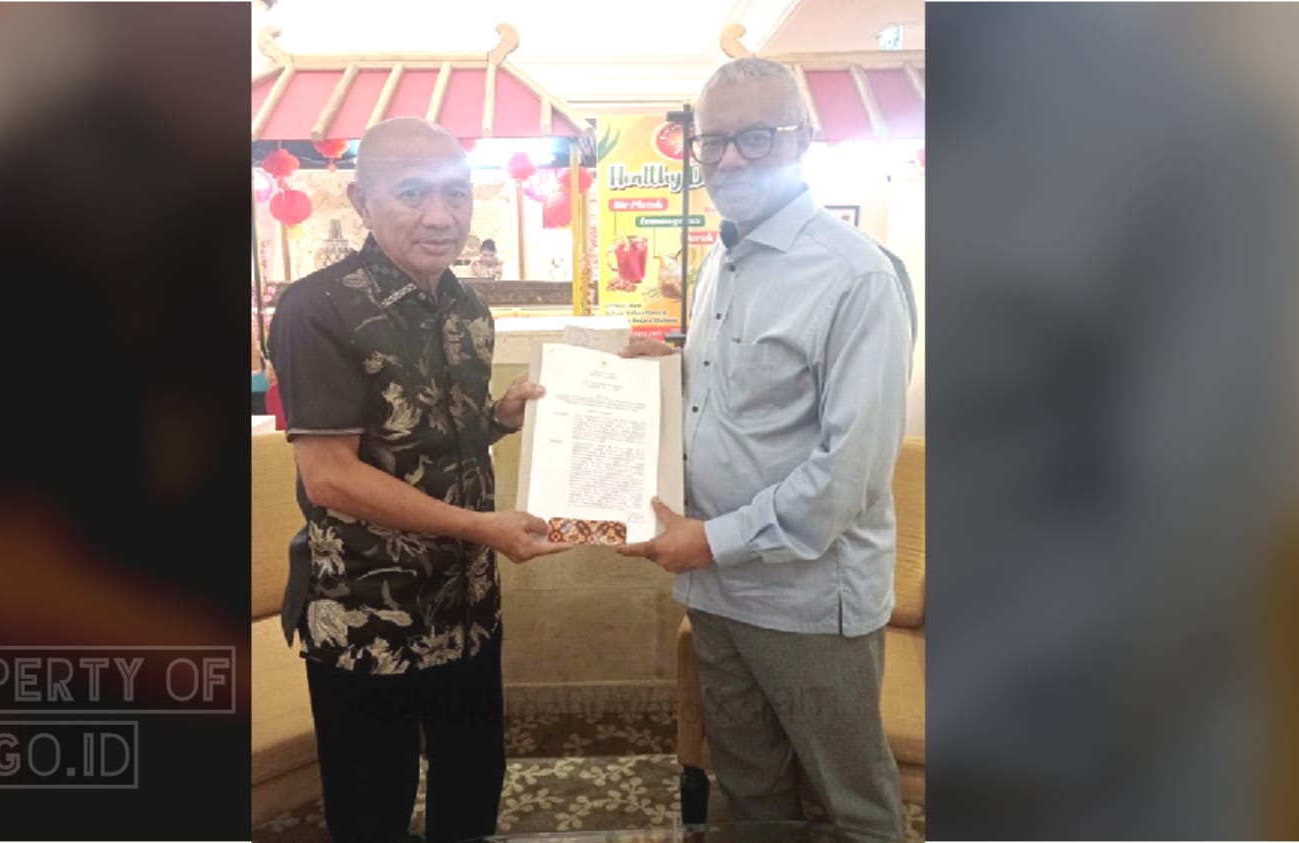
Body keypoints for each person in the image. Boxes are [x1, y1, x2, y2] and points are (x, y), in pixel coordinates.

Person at [617, 58, 918, 841]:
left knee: (852, 805)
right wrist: (669, 370)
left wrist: (710, 540)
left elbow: (848, 473)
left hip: (806, 602)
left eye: (755, 137)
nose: (729, 160)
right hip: (718, 593)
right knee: (750, 791)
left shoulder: (856, 276)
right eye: (712, 142)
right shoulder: (721, 260)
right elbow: (740, 393)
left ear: (802, 139)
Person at [268, 117, 572, 843]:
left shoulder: (467, 307)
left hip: (468, 609)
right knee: (372, 813)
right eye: (412, 194)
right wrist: (483, 527)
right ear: (362, 201)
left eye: (456, 194)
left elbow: (425, 438)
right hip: (369, 618)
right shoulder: (318, 308)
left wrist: (498, 419)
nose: (441, 216)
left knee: (472, 793)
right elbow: (331, 477)